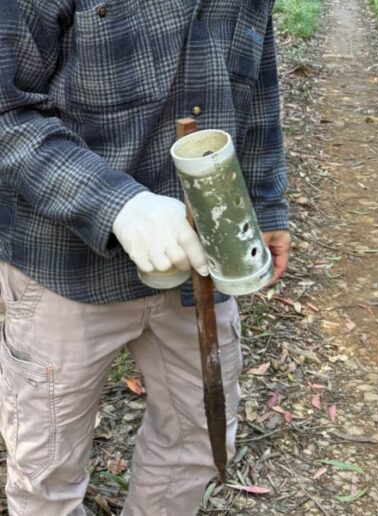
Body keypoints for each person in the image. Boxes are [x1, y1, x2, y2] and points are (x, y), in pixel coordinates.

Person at [0, 0, 291, 514]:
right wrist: (119, 205)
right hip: (64, 267)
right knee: (47, 465)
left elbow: (257, 82)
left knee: (197, 440)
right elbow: (7, 112)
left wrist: (267, 204)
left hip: (203, 262)